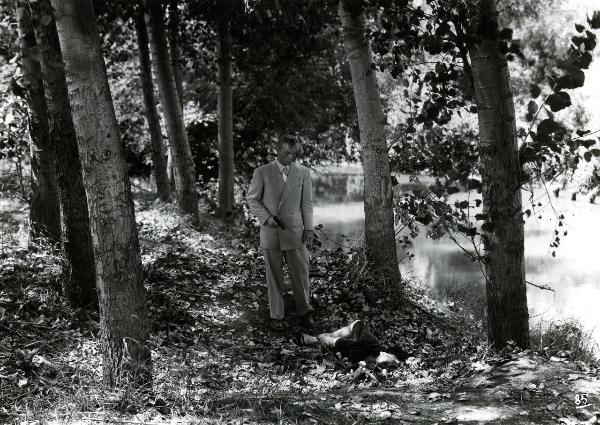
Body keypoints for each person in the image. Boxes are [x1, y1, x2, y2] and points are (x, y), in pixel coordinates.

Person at [246, 137, 315, 331]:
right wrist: (267, 219)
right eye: (287, 153)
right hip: (272, 231)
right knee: (274, 277)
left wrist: (309, 229)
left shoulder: (303, 172)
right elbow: (252, 200)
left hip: (295, 231)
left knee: (301, 275)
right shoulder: (262, 172)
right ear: (277, 150)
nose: (291, 157)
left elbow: (307, 203)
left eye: (294, 153)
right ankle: (277, 316)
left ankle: (304, 311)